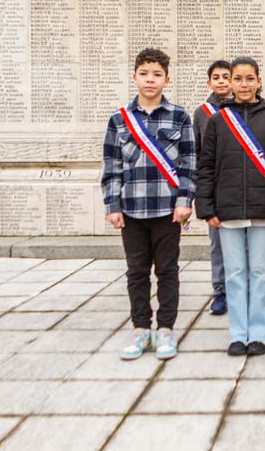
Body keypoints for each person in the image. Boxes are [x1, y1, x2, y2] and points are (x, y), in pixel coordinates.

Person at [196, 57, 265, 357]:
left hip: (263, 208)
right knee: (236, 272)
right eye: (238, 79)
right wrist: (206, 207)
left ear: (259, 81)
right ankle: (238, 334)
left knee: (261, 272)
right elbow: (206, 166)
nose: (243, 84)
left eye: (249, 78)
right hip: (227, 209)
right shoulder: (217, 121)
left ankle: (260, 333)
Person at [102, 48, 195, 361]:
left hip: (168, 210)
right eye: (144, 74)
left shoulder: (179, 116)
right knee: (136, 272)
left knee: (168, 271)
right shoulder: (119, 120)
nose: (150, 80)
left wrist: (185, 200)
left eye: (157, 74)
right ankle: (141, 329)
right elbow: (112, 165)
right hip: (131, 210)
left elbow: (188, 163)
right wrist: (112, 204)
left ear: (167, 79)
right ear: (134, 77)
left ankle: (166, 329)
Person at [193, 59, 233, 316]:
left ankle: (244, 290)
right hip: (215, 188)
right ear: (209, 82)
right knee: (218, 244)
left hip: (241, 187)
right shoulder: (201, 113)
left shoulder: (243, 109)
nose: (221, 81)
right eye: (216, 77)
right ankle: (220, 292)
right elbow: (197, 154)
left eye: (225, 77)